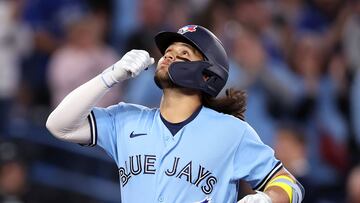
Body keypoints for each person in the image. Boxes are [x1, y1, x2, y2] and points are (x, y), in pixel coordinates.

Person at [46, 25, 304, 203]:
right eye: (168, 52)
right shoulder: (126, 119)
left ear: (206, 74)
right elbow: (59, 125)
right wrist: (110, 76)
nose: (169, 56)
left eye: (183, 54)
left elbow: (290, 185)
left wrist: (268, 197)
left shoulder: (231, 132)